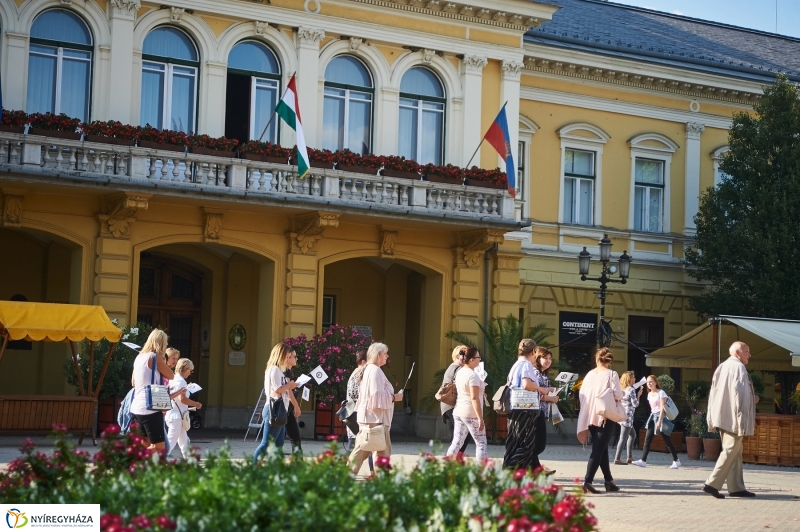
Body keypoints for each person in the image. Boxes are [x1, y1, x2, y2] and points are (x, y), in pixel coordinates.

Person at [702, 341, 758, 499]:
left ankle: (736, 487)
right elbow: (739, 394)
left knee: (735, 451)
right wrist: (751, 401)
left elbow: (714, 392)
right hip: (734, 417)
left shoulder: (722, 366)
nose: (749, 354)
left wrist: (711, 417)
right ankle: (712, 484)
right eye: (747, 351)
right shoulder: (739, 367)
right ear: (738, 352)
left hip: (722, 415)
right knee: (731, 449)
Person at [348, 342, 403, 475]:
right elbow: (376, 395)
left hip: (370, 417)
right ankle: (381, 481)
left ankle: (348, 475)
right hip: (375, 418)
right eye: (385, 353)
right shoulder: (375, 370)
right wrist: (395, 397)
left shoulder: (369, 369)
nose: (387, 356)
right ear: (378, 355)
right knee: (379, 450)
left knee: (364, 449)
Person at [503, 339, 557, 473]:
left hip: (515, 406)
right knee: (528, 444)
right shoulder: (526, 365)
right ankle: (509, 467)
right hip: (525, 408)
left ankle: (519, 472)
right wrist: (541, 389)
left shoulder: (516, 364)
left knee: (514, 442)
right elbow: (527, 384)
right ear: (533, 351)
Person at [577, 347, 623, 493]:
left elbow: (581, 394)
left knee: (602, 449)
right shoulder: (612, 374)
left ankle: (609, 480)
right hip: (605, 415)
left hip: (590, 414)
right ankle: (588, 480)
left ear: (597, 359)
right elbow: (618, 395)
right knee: (598, 449)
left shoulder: (589, 374)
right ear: (610, 361)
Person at [130, 329, 177, 451]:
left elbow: (133, 382)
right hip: (151, 407)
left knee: (144, 443)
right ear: (161, 343)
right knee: (159, 446)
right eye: (165, 343)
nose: (166, 345)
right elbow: (171, 375)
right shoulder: (155, 357)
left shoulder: (139, 357)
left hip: (136, 407)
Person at [253, 343, 299, 464]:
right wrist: (290, 385)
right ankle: (253, 467)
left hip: (279, 410)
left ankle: (274, 468)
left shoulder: (278, 370)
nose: (288, 358)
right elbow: (278, 389)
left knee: (279, 443)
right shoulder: (274, 369)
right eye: (287, 356)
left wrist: (290, 386)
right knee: (266, 443)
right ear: (281, 355)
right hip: (274, 410)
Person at [446, 347, 487, 459]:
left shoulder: (461, 372)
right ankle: (482, 471)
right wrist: (480, 418)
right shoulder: (472, 375)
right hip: (471, 413)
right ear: (472, 359)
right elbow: (474, 398)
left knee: (457, 442)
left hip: (459, 411)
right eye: (478, 357)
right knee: (481, 443)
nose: (480, 360)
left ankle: (447, 466)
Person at [632, 375, 680, 469]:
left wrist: (660, 421)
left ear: (655, 382)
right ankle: (643, 460)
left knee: (667, 440)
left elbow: (663, 408)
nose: (649, 384)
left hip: (661, 417)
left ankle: (676, 460)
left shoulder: (661, 393)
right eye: (647, 382)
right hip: (652, 416)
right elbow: (652, 408)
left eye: (651, 382)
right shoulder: (649, 394)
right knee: (647, 439)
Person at [166, 358, 202, 458]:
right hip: (177, 416)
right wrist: (196, 404)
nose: (190, 373)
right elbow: (183, 399)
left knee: (184, 441)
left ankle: (190, 461)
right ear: (185, 369)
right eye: (190, 370)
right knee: (171, 441)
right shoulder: (181, 382)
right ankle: (157, 461)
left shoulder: (172, 379)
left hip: (175, 415)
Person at [440, 345, 473, 454]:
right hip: (454, 405)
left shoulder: (452, 367)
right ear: (457, 356)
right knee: (465, 434)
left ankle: (453, 461)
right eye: (463, 354)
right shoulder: (459, 369)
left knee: (455, 436)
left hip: (447, 405)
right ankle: (455, 458)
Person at [532, 347, 559, 475]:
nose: (548, 361)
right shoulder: (536, 373)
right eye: (545, 358)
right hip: (535, 411)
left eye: (550, 358)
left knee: (536, 443)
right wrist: (551, 398)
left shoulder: (542, 374)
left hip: (541, 411)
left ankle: (537, 470)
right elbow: (538, 394)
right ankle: (525, 463)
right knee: (539, 444)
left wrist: (552, 390)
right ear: (538, 358)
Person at [345, 349, 373, 472]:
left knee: (360, 443)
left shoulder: (355, 372)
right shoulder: (358, 374)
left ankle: (349, 470)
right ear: (363, 362)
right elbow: (356, 394)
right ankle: (373, 471)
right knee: (369, 443)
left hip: (353, 413)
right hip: (357, 414)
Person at [614, 371, 642, 465]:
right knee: (623, 437)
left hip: (622, 415)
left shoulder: (622, 389)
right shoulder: (631, 390)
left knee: (632, 435)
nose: (635, 379)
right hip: (628, 417)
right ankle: (617, 458)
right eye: (633, 377)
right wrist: (639, 396)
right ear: (629, 379)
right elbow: (635, 404)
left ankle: (629, 457)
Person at [284, 355, 303, 455]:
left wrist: (294, 384)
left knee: (294, 440)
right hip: (287, 409)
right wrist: (296, 406)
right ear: (288, 357)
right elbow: (288, 391)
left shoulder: (288, 371)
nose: (297, 358)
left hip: (287, 409)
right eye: (295, 356)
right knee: (295, 440)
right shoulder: (286, 371)